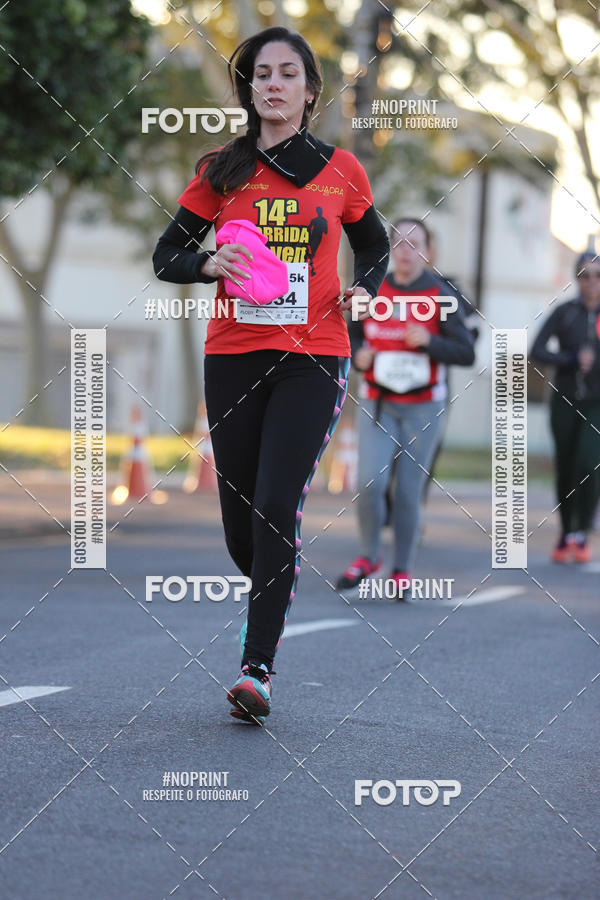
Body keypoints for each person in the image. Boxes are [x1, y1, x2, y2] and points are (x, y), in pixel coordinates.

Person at [152, 26, 389, 722]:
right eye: (262, 74)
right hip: (233, 354)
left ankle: (257, 669)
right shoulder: (220, 169)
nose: (274, 84)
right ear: (248, 89)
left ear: (310, 91)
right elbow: (167, 256)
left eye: (288, 73)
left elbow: (373, 247)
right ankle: (273, 577)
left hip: (314, 354)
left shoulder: (341, 169)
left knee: (277, 507)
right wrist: (207, 263)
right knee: (242, 528)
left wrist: (364, 290)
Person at [336, 217, 474, 597]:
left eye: (415, 244)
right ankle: (368, 556)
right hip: (378, 402)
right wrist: (358, 355)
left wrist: (429, 342)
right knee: (370, 483)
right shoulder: (373, 288)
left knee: (408, 493)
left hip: (423, 408)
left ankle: (401, 569)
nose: (406, 251)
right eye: (398, 242)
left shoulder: (441, 295)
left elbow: (465, 352)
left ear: (428, 252)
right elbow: (349, 334)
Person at [530, 250, 600, 563]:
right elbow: (538, 350)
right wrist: (571, 359)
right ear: (577, 278)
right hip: (565, 400)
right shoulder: (565, 312)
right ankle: (566, 531)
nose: (592, 281)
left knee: (588, 463)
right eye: (585, 275)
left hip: (597, 402)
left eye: (597, 275)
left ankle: (582, 530)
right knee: (566, 465)